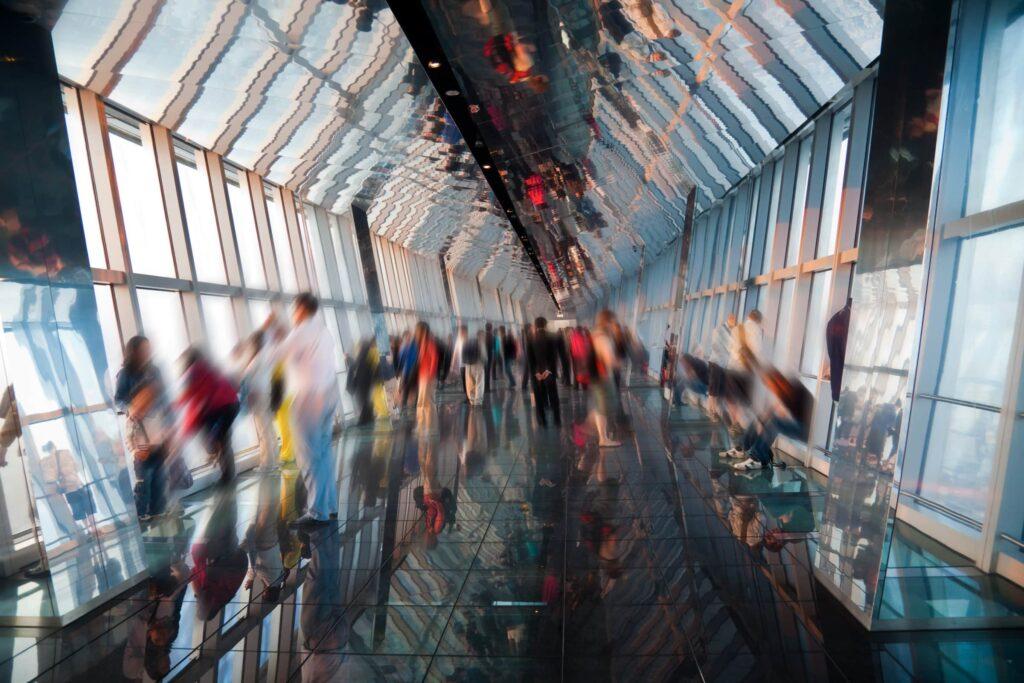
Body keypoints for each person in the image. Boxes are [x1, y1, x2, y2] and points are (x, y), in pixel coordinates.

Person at [272, 293, 340, 527]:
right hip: (329, 392)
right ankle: (330, 506)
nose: (293, 313)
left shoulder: (300, 332)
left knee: (309, 455)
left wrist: (273, 336)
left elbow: (277, 356)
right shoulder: (324, 331)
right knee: (324, 453)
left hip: (309, 397)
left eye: (295, 308)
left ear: (301, 308)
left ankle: (317, 511)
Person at [178, 349, 240, 485]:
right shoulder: (210, 366)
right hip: (232, 404)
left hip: (221, 407)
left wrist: (177, 404)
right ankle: (228, 475)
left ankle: (224, 469)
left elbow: (191, 394)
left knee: (218, 440)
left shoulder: (194, 370)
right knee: (224, 440)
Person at [124, 381, 170, 520]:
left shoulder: (156, 413)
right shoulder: (132, 419)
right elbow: (128, 438)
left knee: (159, 482)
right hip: (142, 455)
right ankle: (140, 512)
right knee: (143, 485)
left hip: (158, 452)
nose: (146, 400)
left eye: (149, 397)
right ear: (134, 400)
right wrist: (134, 451)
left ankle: (157, 510)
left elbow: (162, 431)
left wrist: (166, 443)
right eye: (142, 397)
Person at [240, 331, 279, 472]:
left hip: (258, 395)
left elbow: (246, 376)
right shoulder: (267, 355)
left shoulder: (258, 357)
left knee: (263, 430)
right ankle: (274, 461)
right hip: (266, 392)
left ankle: (267, 464)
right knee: (269, 429)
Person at [590, 310, 622, 447]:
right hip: (603, 376)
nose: (613, 325)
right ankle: (603, 438)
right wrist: (619, 362)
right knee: (606, 406)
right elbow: (609, 359)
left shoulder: (594, 334)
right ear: (607, 322)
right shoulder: (603, 338)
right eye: (612, 322)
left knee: (601, 406)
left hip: (595, 376)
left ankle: (600, 435)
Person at [114, 335, 167, 414]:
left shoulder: (155, 370)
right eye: (144, 349)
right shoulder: (124, 373)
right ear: (135, 352)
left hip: (158, 416)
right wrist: (129, 409)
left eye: (148, 349)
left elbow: (163, 395)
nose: (148, 352)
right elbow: (118, 400)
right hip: (136, 418)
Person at [527, 317, 561, 428]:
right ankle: (557, 419)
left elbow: (530, 359)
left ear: (535, 325)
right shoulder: (552, 337)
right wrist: (548, 370)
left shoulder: (531, 338)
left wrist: (536, 372)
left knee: (539, 397)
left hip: (537, 374)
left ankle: (542, 420)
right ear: (545, 324)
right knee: (553, 396)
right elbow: (554, 356)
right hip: (549, 372)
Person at [462, 329, 486, 407]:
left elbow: (462, 353)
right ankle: (478, 402)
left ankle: (472, 400)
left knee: (470, 383)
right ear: (481, 335)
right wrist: (484, 362)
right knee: (479, 383)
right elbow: (484, 355)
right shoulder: (480, 342)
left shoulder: (466, 342)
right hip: (478, 364)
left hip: (468, 365)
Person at [483, 322, 495, 393]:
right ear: (491, 328)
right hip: (489, 356)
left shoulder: (483, 336)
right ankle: (487, 388)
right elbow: (493, 347)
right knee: (487, 372)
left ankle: (484, 387)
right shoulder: (492, 336)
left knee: (484, 372)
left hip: (483, 356)